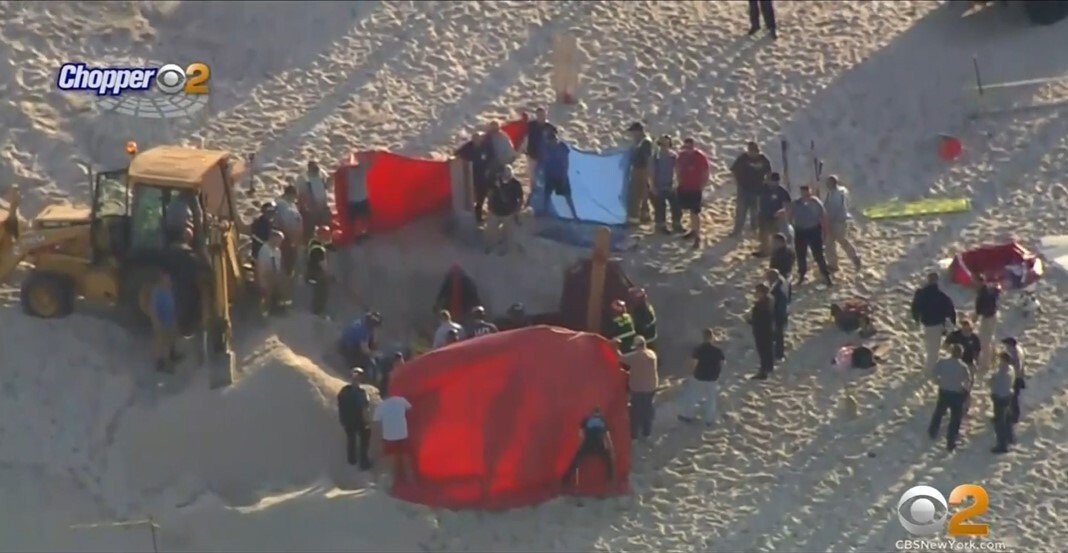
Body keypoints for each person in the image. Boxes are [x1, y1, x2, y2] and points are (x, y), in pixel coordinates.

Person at [928, 344, 973, 452]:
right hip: (957, 394)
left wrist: (938, 382)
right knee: (955, 418)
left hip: (944, 391)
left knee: (939, 412)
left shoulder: (942, 362)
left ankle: (932, 431)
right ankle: (951, 440)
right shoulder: (963, 366)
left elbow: (934, 374)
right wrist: (966, 391)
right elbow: (968, 380)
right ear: (961, 354)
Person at [678, 328, 726, 425]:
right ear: (712, 337)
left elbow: (693, 363)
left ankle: (688, 416)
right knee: (711, 399)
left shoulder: (698, 349)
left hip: (699, 377)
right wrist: (719, 374)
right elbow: (722, 363)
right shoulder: (718, 350)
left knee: (692, 397)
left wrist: (689, 374)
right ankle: (709, 420)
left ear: (703, 338)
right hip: (712, 378)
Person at [911, 272, 957, 371]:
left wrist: (916, 319)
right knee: (934, 351)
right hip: (938, 324)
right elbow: (950, 308)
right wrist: (952, 322)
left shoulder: (921, 293)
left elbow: (915, 307)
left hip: (927, 324)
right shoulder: (941, 295)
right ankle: (929, 370)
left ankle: (929, 368)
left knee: (930, 348)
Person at [791, 184, 833, 287]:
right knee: (801, 254)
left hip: (813, 230)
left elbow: (823, 217)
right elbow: (789, 212)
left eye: (806, 191)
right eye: (802, 192)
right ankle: (802, 274)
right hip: (800, 231)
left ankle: (826, 276)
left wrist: (825, 232)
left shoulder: (816, 202)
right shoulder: (796, 203)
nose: (804, 194)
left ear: (809, 192)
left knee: (818, 255)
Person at [561, 407, 615, 488]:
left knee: (576, 460)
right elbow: (607, 437)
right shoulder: (603, 420)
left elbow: (581, 436)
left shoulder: (586, 420)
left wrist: (579, 448)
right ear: (599, 413)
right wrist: (611, 449)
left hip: (587, 444)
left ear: (592, 413)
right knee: (608, 460)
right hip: (599, 445)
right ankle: (610, 480)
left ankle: (566, 479)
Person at [619, 336, 658, 439]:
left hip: (638, 388)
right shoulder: (652, 354)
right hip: (651, 387)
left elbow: (620, 358)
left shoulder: (636, 356)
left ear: (636, 346)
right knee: (647, 409)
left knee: (635, 411)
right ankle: (646, 432)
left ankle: (634, 434)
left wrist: (615, 346)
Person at [730, 142, 771, 238]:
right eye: (751, 151)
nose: (753, 153)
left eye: (755, 151)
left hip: (758, 189)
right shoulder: (743, 158)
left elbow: (769, 172)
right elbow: (733, 170)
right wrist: (737, 182)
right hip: (743, 188)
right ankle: (737, 230)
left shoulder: (763, 159)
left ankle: (754, 229)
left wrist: (766, 183)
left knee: (755, 211)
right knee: (741, 210)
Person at [676, 137, 711, 248]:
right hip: (684, 187)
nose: (688, 150)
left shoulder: (700, 157)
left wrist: (702, 185)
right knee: (689, 210)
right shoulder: (682, 156)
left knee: (695, 212)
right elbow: (678, 169)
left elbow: (706, 172)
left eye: (690, 147)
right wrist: (679, 181)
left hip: (695, 188)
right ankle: (693, 230)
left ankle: (697, 236)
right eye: (686, 147)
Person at [822, 176, 862, 273]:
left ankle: (855, 257)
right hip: (833, 220)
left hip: (838, 220)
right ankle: (833, 264)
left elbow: (835, 208)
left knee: (842, 240)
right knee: (829, 243)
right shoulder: (836, 192)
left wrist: (828, 218)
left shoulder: (837, 193)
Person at [373, 393, 415, 484]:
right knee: (405, 456)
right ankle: (411, 481)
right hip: (402, 433)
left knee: (391, 458)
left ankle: (392, 481)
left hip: (389, 435)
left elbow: (376, 421)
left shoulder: (381, 405)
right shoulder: (402, 400)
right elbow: (411, 410)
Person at [456, 131, 496, 225]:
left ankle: (480, 212)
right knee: (472, 193)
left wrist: (489, 169)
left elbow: (492, 157)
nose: (477, 141)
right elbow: (458, 153)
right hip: (472, 174)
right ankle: (474, 212)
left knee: (483, 194)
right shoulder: (468, 147)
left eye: (478, 139)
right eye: (475, 139)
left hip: (485, 174)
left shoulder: (486, 146)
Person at [539, 126, 579, 220]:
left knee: (568, 197)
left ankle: (575, 216)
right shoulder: (546, 147)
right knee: (547, 195)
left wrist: (564, 177)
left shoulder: (562, 147)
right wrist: (543, 173)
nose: (553, 141)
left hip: (561, 175)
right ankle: (544, 212)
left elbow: (565, 163)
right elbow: (543, 161)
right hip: (550, 175)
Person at [337, 368, 373, 470]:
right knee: (359, 439)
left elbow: (340, 404)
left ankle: (355, 461)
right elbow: (365, 407)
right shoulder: (358, 392)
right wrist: (367, 420)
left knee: (355, 439)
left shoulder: (346, 391)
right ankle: (359, 462)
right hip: (355, 420)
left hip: (352, 421)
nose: (356, 379)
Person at [485, 165, 525, 255]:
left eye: (508, 174)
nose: (506, 176)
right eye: (505, 174)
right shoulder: (495, 181)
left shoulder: (515, 184)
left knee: (507, 233)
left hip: (508, 212)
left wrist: (517, 210)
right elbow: (490, 194)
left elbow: (519, 198)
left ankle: (504, 249)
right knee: (491, 231)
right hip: (495, 211)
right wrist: (489, 206)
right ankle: (489, 246)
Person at [149, 272, 181, 373]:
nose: (168, 280)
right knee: (162, 343)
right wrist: (156, 322)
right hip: (161, 321)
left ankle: (173, 354)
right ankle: (162, 364)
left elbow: (172, 302)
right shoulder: (157, 292)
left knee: (172, 338)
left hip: (170, 319)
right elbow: (153, 309)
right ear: (161, 279)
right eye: (166, 278)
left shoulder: (169, 289)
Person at [754, 172, 791, 257]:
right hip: (763, 215)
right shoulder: (763, 188)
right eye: (772, 181)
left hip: (775, 216)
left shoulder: (781, 191)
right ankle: (764, 251)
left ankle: (776, 252)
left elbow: (788, 204)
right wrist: (757, 209)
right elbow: (757, 198)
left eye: (776, 181)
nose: (774, 183)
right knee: (763, 234)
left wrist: (782, 211)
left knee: (775, 235)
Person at [651, 135, 682, 235]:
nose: (665, 146)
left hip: (670, 184)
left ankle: (676, 224)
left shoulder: (673, 155)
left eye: (667, 143)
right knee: (660, 206)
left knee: (676, 205)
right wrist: (652, 185)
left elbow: (677, 169)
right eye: (662, 144)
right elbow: (651, 171)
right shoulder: (656, 156)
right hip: (658, 184)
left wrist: (677, 182)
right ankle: (661, 225)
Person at [625, 122, 653, 226]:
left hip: (641, 170)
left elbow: (648, 159)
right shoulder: (641, 142)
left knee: (635, 195)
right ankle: (645, 216)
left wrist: (647, 173)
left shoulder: (645, 142)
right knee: (643, 194)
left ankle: (634, 219)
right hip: (639, 169)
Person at [340, 312, 383, 379]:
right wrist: (374, 354)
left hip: (345, 343)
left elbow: (372, 340)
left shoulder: (361, 322)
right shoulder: (364, 330)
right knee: (365, 361)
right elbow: (365, 350)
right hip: (347, 348)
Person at [274, 186, 304, 279]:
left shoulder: (289, 203)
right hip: (287, 237)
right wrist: (292, 238)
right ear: (290, 194)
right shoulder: (282, 205)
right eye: (294, 195)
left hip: (293, 236)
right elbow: (285, 223)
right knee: (287, 259)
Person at [297, 160, 331, 238]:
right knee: (310, 229)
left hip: (323, 205)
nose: (316, 170)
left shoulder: (321, 173)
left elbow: (326, 184)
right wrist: (305, 208)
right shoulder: (303, 178)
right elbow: (301, 195)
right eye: (314, 169)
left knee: (325, 225)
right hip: (311, 208)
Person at [989, 352, 1015, 454]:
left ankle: (1002, 445)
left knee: (1000, 422)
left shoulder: (1001, 373)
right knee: (1007, 418)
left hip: (1000, 398)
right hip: (1008, 396)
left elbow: (994, 383)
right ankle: (1010, 437)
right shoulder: (1011, 369)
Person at [256, 230, 286, 314]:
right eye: (279, 240)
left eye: (281, 241)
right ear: (273, 238)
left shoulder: (277, 251)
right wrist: (262, 282)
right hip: (266, 276)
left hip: (275, 277)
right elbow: (261, 266)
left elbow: (278, 265)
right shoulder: (264, 250)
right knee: (265, 297)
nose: (280, 242)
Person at [749, 283, 775, 380]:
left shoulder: (762, 304)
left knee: (763, 350)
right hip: (766, 329)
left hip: (761, 330)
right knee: (767, 349)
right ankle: (767, 368)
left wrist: (752, 321)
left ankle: (763, 371)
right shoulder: (768, 301)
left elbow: (761, 318)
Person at [305, 225, 333, 317]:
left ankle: (316, 312)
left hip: (312, 273)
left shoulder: (313, 242)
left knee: (317, 294)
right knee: (321, 294)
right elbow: (322, 264)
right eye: (327, 235)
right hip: (317, 275)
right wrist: (328, 275)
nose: (328, 237)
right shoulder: (318, 248)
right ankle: (317, 313)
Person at [974, 276, 1000, 371]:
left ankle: (985, 364)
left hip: (988, 318)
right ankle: (994, 358)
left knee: (985, 342)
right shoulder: (990, 289)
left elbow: (977, 312)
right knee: (990, 338)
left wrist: (972, 322)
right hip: (994, 316)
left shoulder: (981, 294)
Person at [346, 152, 372, 241]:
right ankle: (359, 235)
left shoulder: (349, 171)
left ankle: (360, 235)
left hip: (356, 199)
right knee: (360, 219)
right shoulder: (361, 168)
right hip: (359, 199)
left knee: (361, 219)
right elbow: (370, 162)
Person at [525, 108, 552, 190]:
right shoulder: (530, 125)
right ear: (536, 115)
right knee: (532, 176)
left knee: (544, 176)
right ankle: (533, 191)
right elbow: (522, 135)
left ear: (546, 115)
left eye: (543, 115)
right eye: (539, 115)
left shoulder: (550, 127)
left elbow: (554, 141)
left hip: (545, 157)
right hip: (532, 155)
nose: (541, 117)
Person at [767, 268, 790, 361]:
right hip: (782, 310)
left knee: (778, 332)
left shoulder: (777, 289)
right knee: (776, 332)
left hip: (779, 313)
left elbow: (779, 302)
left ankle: (779, 354)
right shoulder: (783, 282)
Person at [1002, 337, 1025, 423]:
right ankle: (1013, 415)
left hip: (1014, 378)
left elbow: (1015, 366)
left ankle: (1013, 417)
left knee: (1013, 398)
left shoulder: (1013, 353)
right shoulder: (1019, 350)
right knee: (1014, 398)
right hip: (1019, 377)